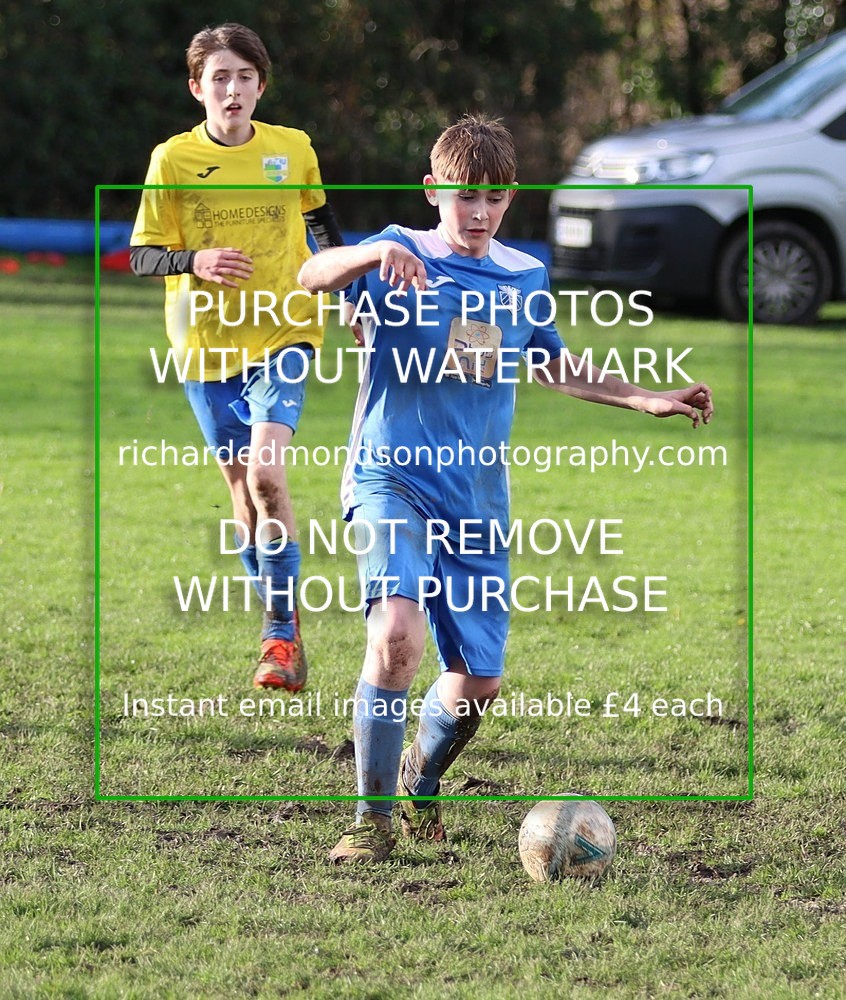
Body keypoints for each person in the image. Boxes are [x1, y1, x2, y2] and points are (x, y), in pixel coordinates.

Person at [298, 114, 714, 863]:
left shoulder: (524, 276)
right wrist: (372, 255)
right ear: (434, 192)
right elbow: (310, 275)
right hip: (390, 480)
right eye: (464, 197)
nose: (479, 213)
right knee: (396, 636)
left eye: (493, 198)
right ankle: (370, 822)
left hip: (476, 501)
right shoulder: (397, 254)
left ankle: (418, 779)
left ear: (511, 197)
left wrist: (643, 397)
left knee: (477, 685)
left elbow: (552, 363)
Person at [130, 23, 344, 692]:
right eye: (218, 78)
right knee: (242, 493)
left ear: (260, 85)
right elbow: (141, 255)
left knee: (267, 476)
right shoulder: (172, 160)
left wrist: (355, 291)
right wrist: (196, 258)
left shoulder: (293, 148)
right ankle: (283, 620)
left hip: (286, 328)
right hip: (204, 346)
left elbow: (320, 225)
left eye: (244, 77)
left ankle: (279, 632)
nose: (232, 89)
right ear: (198, 88)